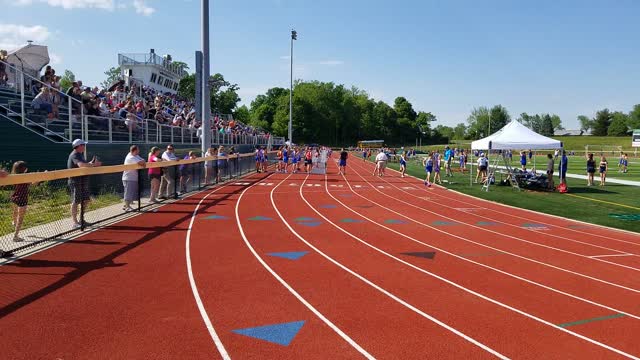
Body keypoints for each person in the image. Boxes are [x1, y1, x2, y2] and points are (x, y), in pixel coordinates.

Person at [68, 139, 101, 229]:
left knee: (86, 200)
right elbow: (81, 165)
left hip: (82, 181)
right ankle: (75, 222)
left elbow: (84, 164)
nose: (84, 146)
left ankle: (81, 219)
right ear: (79, 146)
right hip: (76, 182)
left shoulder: (80, 155)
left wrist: (92, 163)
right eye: (83, 145)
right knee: (75, 201)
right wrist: (94, 165)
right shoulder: (75, 154)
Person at [122, 145, 145, 212]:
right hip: (128, 178)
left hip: (133, 177)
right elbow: (141, 162)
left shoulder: (136, 156)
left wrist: (142, 161)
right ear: (135, 150)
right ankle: (127, 206)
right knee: (128, 192)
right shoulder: (130, 157)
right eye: (138, 150)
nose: (139, 151)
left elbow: (142, 160)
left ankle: (127, 205)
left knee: (131, 192)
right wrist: (142, 162)